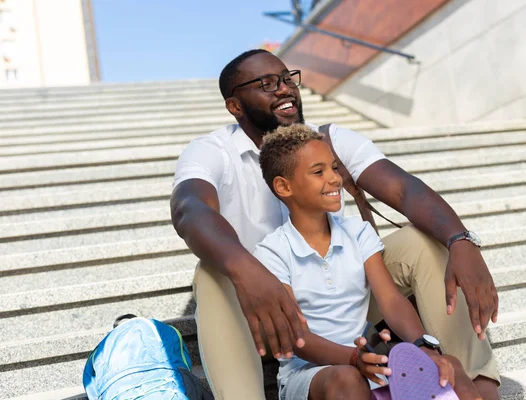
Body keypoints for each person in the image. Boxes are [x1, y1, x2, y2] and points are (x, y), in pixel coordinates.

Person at [170, 49, 500, 400]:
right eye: (266, 84)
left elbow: (402, 188)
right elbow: (189, 208)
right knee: (211, 272)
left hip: (342, 294)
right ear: (235, 106)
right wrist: (247, 270)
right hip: (262, 307)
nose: (284, 89)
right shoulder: (212, 150)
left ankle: (466, 382)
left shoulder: (324, 141)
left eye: (286, 79)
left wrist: (461, 240)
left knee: (425, 241)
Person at [252, 123, 482, 400]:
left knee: (450, 367)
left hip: (367, 361)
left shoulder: (358, 232)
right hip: (310, 375)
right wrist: (352, 358)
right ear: (283, 186)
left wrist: (423, 347)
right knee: (347, 380)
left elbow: (391, 300)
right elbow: (295, 336)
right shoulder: (272, 252)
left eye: (334, 168)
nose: (334, 178)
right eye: (318, 172)